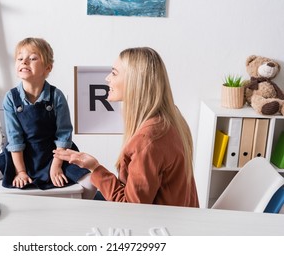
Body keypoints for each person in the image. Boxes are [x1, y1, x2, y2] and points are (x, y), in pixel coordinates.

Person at [54, 47, 200, 206]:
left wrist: (94, 168)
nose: (107, 78)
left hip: (158, 226)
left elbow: (130, 206)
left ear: (134, 82)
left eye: (114, 73)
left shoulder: (148, 140)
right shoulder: (171, 118)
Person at [0, 37, 96, 199]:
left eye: (33, 58)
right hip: (19, 154)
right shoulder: (11, 98)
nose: (24, 62)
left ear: (47, 68)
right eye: (20, 58)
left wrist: (56, 166)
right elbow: (15, 138)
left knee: (91, 182)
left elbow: (64, 135)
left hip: (55, 153)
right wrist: (20, 171)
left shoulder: (56, 96)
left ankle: (78, 218)